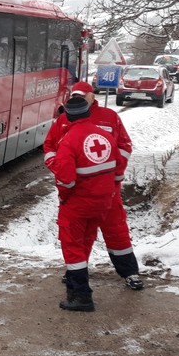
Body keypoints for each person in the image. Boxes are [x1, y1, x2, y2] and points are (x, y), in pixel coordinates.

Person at [44, 81, 145, 291]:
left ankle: (129, 272)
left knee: (116, 230)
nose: (78, 99)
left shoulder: (109, 117)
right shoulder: (63, 120)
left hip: (107, 189)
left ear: (92, 96)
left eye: (82, 96)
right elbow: (50, 146)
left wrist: (115, 175)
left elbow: (124, 146)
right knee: (81, 235)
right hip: (80, 190)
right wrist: (59, 168)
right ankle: (76, 273)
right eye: (74, 96)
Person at [46, 95, 126, 311]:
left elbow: (66, 179)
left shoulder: (68, 141)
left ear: (68, 117)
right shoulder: (105, 136)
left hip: (78, 205)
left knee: (73, 247)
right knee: (85, 242)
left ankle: (81, 297)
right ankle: (79, 293)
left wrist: (64, 197)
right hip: (102, 203)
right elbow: (119, 171)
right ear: (88, 113)